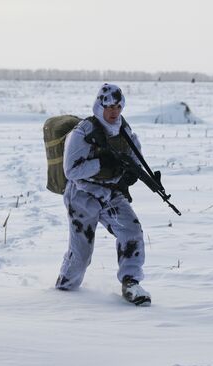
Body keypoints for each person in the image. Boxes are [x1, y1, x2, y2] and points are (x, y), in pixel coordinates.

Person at [55, 83, 151, 306]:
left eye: (117, 106)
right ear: (99, 105)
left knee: (132, 231)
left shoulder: (125, 132)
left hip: (111, 194)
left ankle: (131, 283)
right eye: (108, 106)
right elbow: (71, 171)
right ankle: (62, 294)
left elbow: (135, 159)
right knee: (81, 254)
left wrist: (131, 175)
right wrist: (102, 164)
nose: (113, 111)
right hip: (81, 196)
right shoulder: (83, 132)